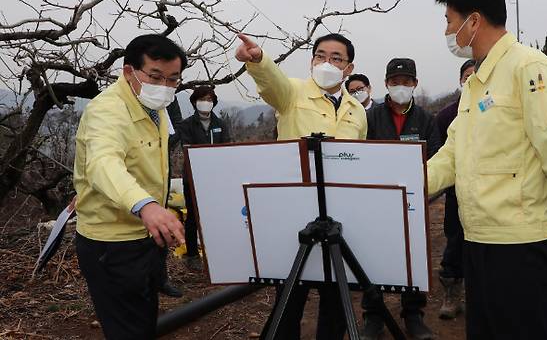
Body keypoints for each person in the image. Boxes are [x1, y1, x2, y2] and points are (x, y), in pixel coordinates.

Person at [426, 0, 547, 340]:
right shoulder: (477, 83)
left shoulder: (528, 67)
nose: (446, 31)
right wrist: (405, 182)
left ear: (473, 20)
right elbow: (453, 154)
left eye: (449, 20)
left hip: (523, 247)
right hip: (481, 241)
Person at [235, 32, 366, 340]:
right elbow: (272, 83)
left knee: (335, 301)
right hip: (296, 213)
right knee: (290, 297)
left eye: (336, 58)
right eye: (320, 55)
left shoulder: (357, 111)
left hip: (340, 216)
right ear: (311, 60)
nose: (327, 62)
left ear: (349, 68)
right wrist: (258, 60)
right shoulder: (292, 93)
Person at [74, 34, 187, 339]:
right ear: (128, 71)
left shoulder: (154, 107)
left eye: (173, 79)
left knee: (142, 318)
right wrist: (146, 205)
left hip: (145, 234)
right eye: (155, 76)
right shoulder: (107, 110)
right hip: (113, 242)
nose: (164, 86)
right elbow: (102, 163)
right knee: (128, 329)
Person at [360, 58, 434, 340]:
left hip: (413, 203)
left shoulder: (426, 119)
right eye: (395, 82)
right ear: (386, 84)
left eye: (406, 82)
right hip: (376, 202)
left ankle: (413, 314)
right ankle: (373, 316)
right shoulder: (371, 118)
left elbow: (436, 156)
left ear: (414, 84)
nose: (400, 86)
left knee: (412, 257)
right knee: (373, 256)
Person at [428, 59, 475, 320]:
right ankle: (452, 292)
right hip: (456, 189)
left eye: (475, 74)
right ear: (460, 80)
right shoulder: (447, 114)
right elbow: (442, 155)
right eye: (466, 75)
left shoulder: (494, 107)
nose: (471, 79)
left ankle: (478, 294)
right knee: (455, 238)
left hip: (487, 191)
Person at [170, 86, 230, 271]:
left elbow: (227, 146)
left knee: (216, 216)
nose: (206, 102)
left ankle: (218, 253)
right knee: (193, 218)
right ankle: (193, 256)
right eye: (203, 99)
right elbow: (188, 147)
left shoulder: (220, 123)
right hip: (193, 179)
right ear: (195, 102)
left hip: (216, 179)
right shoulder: (186, 125)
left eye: (210, 99)